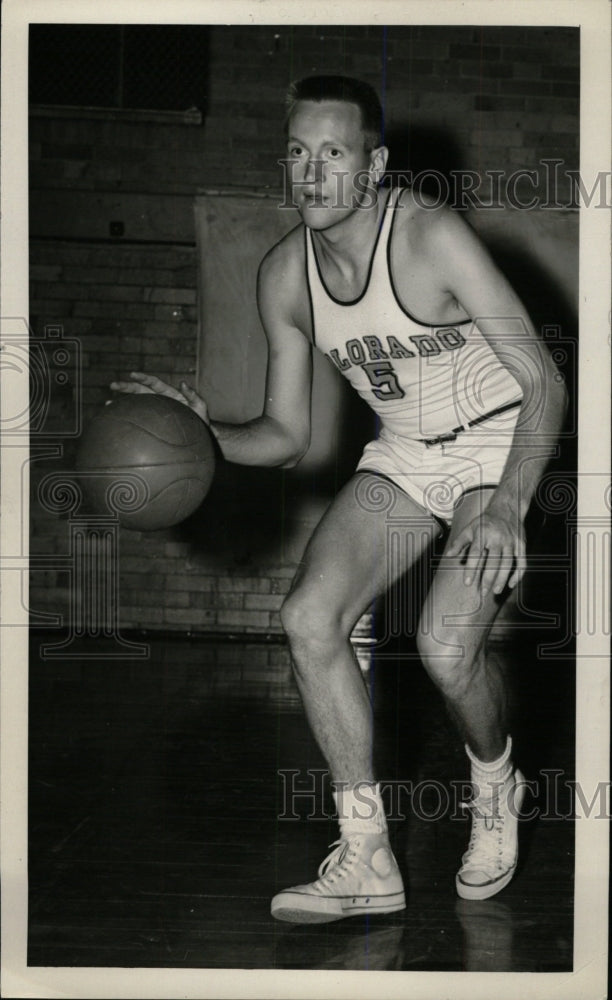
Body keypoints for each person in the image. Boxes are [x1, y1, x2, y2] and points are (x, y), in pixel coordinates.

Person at [111, 75, 567, 923]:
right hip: (401, 456)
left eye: (333, 153)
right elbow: (286, 435)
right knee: (307, 618)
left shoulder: (429, 236)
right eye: (296, 153)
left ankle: (497, 781)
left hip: (495, 444)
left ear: (373, 165)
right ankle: (365, 855)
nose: (311, 173)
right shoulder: (285, 274)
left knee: (442, 646)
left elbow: (542, 376)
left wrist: (507, 503)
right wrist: (204, 433)